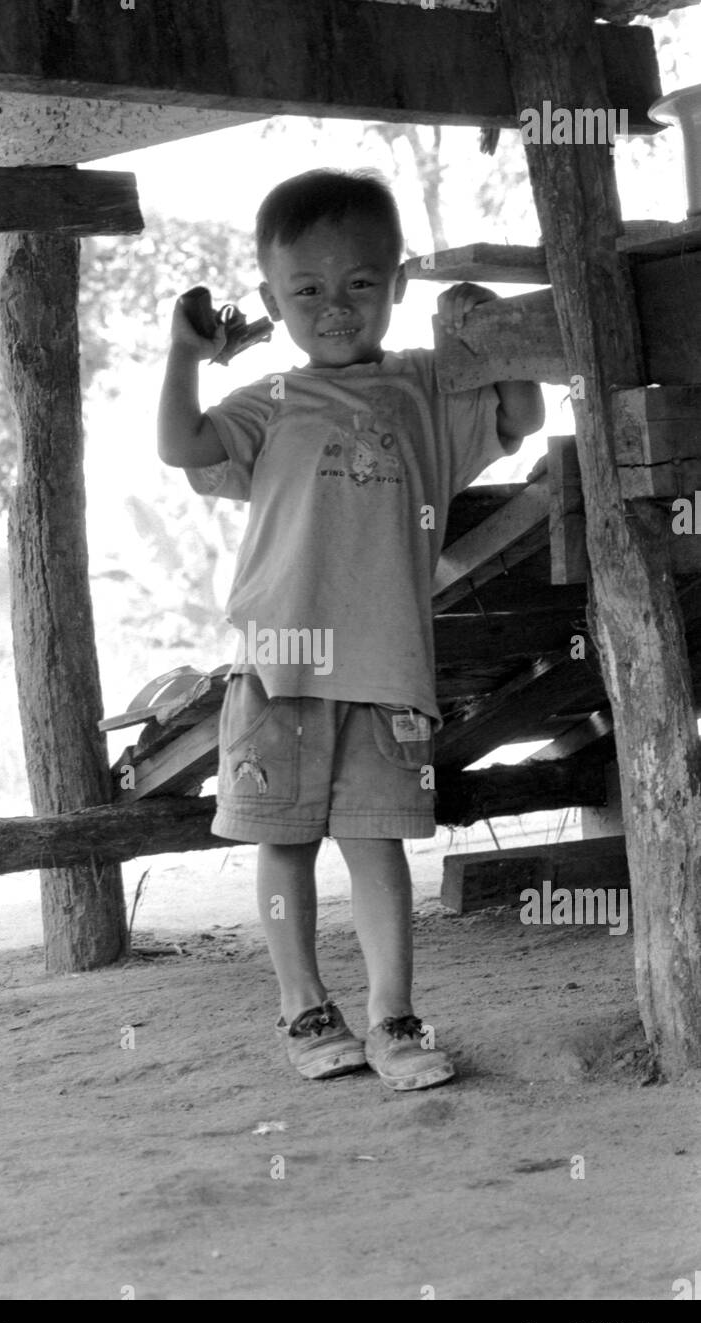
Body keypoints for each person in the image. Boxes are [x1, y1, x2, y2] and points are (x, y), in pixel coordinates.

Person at [157, 169, 544, 1090]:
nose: (336, 308)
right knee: (283, 840)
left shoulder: (427, 387)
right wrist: (182, 354)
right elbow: (182, 444)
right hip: (280, 665)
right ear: (271, 301)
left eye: (360, 284)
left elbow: (523, 415)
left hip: (386, 669)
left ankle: (393, 1017)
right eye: (308, 291)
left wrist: (489, 332)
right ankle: (303, 1010)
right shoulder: (269, 401)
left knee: (378, 847)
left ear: (397, 282)